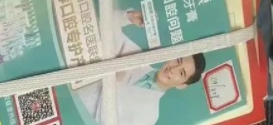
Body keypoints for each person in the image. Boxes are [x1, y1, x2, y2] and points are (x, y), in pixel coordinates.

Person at [75, 9, 207, 125]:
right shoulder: (136, 57)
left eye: (181, 73)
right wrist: (128, 17)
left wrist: (112, 80)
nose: (173, 69)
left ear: (182, 85)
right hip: (68, 93)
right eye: (178, 60)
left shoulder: (149, 116)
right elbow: (100, 27)